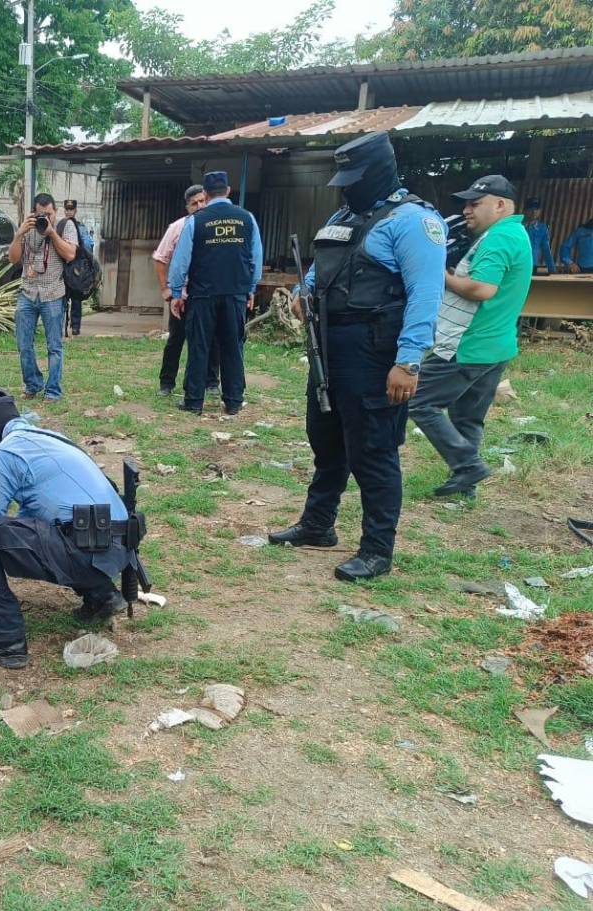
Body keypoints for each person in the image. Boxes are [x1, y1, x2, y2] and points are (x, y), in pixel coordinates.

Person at [269, 131, 447, 581]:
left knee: (373, 451)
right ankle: (317, 525)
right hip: (329, 349)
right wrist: (300, 293)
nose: (345, 187)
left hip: (375, 353)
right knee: (326, 441)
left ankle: (376, 550)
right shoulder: (344, 216)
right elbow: (321, 272)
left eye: (353, 178)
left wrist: (408, 362)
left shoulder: (413, 221)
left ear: (380, 171)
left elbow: (426, 295)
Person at [0, 388, 136, 669]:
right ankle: (102, 596)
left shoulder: (4, 454)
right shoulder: (51, 439)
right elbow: (39, 515)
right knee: (61, 526)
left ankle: (5, 642)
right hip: (118, 548)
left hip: (85, 552)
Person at [409, 175, 533, 499]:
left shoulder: (499, 238)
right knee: (468, 416)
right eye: (466, 204)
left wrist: (442, 275)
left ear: (500, 205)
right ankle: (466, 487)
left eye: (475, 204)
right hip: (496, 345)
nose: (466, 210)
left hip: (468, 344)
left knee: (419, 401)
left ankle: (466, 464)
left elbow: (481, 289)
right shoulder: (514, 233)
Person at [167, 171, 263, 416]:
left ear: (206, 195)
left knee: (199, 345)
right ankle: (233, 401)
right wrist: (251, 288)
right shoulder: (247, 218)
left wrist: (176, 292)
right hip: (235, 293)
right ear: (229, 191)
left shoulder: (196, 220)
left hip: (203, 294)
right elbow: (256, 257)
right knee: (232, 346)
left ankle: (194, 401)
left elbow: (181, 261)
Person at [8, 192, 77, 401]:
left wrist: (51, 233)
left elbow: (70, 254)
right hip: (28, 292)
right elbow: (13, 259)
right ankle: (33, 383)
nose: (44, 218)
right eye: (40, 214)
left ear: (55, 211)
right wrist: (19, 233)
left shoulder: (66, 226)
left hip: (53, 294)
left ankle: (53, 390)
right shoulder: (28, 228)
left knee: (54, 346)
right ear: (33, 212)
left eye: (48, 214)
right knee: (23, 344)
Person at [154, 184, 215, 397]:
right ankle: (166, 383)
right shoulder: (178, 227)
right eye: (194, 203)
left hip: (207, 295)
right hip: (182, 296)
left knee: (209, 340)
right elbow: (160, 258)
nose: (199, 206)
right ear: (187, 207)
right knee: (175, 340)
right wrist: (166, 289)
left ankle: (210, 382)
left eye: (202, 201)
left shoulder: (216, 226)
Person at [61, 199, 93, 337]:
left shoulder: (81, 227)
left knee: (76, 298)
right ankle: (63, 327)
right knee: (62, 298)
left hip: (76, 268)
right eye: (67, 209)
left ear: (75, 210)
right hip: (64, 267)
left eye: (71, 209)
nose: (69, 212)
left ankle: (75, 327)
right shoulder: (60, 226)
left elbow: (88, 246)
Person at [522, 198, 556, 275]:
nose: (534, 212)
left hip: (533, 266)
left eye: (537, 209)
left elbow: (546, 250)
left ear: (540, 211)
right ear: (525, 210)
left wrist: (552, 269)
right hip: (517, 265)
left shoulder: (542, 228)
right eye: (531, 209)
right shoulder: (518, 227)